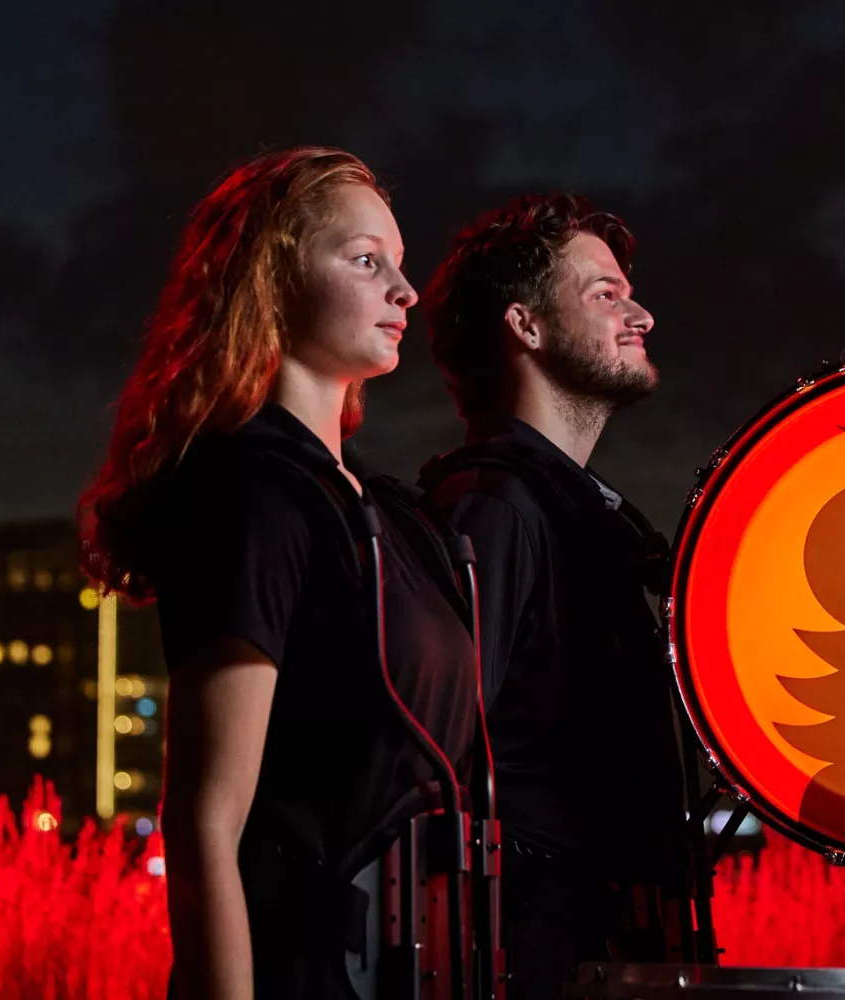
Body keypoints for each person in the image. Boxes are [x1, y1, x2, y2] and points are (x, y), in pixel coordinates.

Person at [78, 147, 480, 1000]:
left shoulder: (387, 513)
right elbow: (204, 824)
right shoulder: (252, 493)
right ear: (276, 274)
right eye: (367, 261)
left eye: (401, 268)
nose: (406, 294)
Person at [419, 194, 699, 1000]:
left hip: (587, 944)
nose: (639, 314)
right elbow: (441, 757)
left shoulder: (578, 514)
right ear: (525, 327)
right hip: (534, 957)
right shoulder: (495, 507)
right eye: (604, 294)